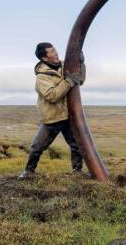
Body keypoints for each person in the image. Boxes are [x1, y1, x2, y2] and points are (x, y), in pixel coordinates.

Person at [18, 42, 86, 179]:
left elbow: (80, 80)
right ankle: (28, 172)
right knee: (37, 147)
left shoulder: (64, 66)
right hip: (52, 118)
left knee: (76, 145)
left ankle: (77, 172)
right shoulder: (41, 77)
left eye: (54, 49)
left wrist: (81, 64)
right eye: (51, 51)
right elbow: (52, 96)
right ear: (44, 58)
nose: (56, 52)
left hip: (68, 116)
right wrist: (67, 82)